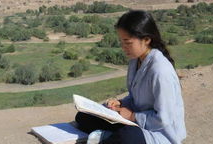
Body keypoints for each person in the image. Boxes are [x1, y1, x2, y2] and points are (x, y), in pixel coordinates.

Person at [75, 10, 187, 144]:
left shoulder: (160, 71)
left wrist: (133, 116)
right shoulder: (136, 60)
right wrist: (121, 103)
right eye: (122, 42)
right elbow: (136, 98)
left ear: (146, 40)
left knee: (127, 137)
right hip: (135, 123)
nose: (123, 48)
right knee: (84, 117)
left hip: (159, 134)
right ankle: (107, 137)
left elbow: (164, 119)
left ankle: (107, 138)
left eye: (128, 43)